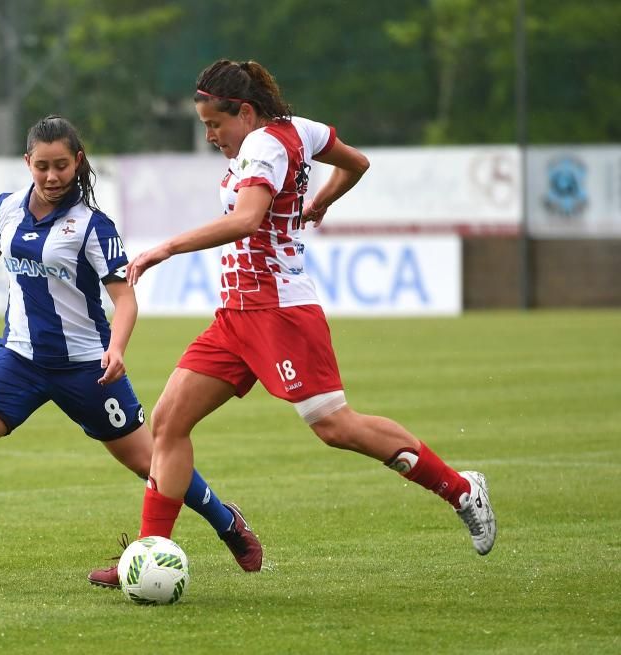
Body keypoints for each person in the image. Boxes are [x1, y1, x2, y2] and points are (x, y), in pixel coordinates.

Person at [90, 59, 497, 578]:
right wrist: (321, 201)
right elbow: (356, 163)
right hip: (236, 315)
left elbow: (246, 220)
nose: (211, 136)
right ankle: (149, 557)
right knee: (169, 423)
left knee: (334, 426)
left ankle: (463, 491)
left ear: (244, 111)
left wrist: (165, 248)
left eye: (215, 125)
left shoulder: (262, 146)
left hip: (280, 312)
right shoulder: (297, 130)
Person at [0, 116, 262, 588]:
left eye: (61, 165)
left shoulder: (92, 227)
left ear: (77, 161)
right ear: (27, 163)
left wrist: (116, 348)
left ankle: (228, 523)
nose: (52, 175)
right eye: (42, 166)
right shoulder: (7, 209)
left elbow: (124, 297)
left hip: (87, 368)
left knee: (150, 461)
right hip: (17, 360)